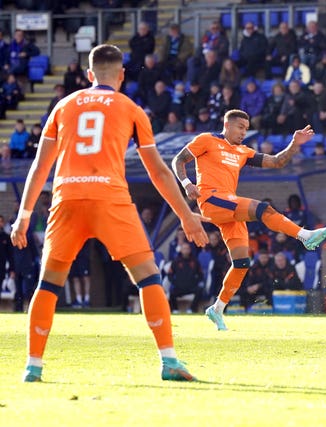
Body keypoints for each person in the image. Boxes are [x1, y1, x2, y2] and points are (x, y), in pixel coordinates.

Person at [10, 44, 209, 383]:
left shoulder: (63, 105)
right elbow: (159, 172)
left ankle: (33, 365)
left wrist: (24, 215)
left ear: (89, 75)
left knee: (49, 283)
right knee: (148, 277)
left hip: (67, 198)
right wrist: (187, 216)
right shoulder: (130, 108)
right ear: (121, 75)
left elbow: (40, 166)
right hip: (109, 198)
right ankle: (169, 361)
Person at [171, 110, 326, 331]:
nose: (243, 132)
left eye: (246, 128)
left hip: (230, 208)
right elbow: (178, 160)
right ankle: (305, 235)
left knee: (242, 263)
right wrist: (185, 182)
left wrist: (294, 143)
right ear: (227, 125)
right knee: (263, 208)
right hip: (211, 200)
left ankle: (217, 309)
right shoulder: (207, 140)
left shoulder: (243, 151)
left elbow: (277, 161)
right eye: (240, 127)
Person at [69, 239, 92, 308]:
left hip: (83, 255)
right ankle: (79, 300)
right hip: (73, 256)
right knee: (75, 278)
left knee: (86, 277)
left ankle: (87, 299)